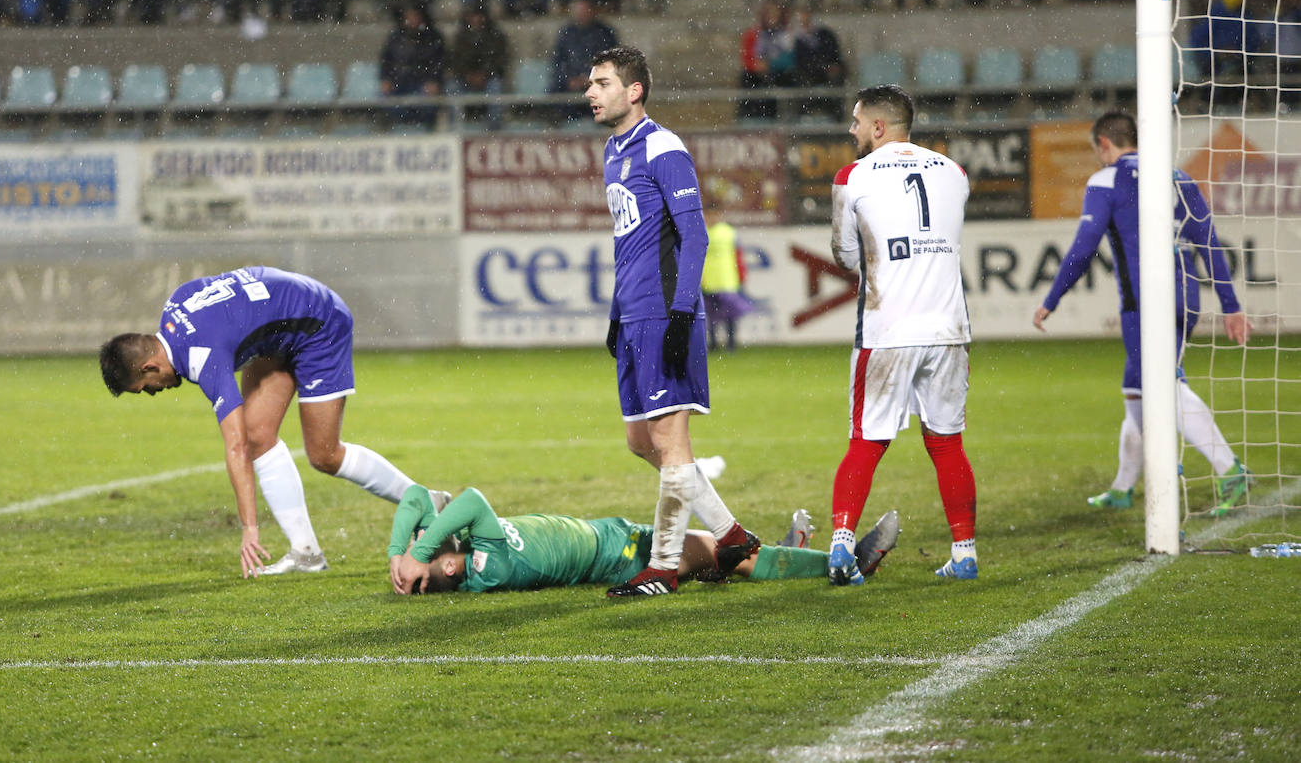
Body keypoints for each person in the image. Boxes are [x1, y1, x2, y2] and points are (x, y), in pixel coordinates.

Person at [99, 266, 444, 579]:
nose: (153, 393)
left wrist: (250, 528)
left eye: (145, 389)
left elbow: (232, 446)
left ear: (148, 368)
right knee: (257, 437)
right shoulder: (174, 307)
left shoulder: (202, 357)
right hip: (282, 328)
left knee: (324, 454)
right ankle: (307, 555)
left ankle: (426, 501)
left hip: (318, 323)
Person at [585, 45, 758, 597]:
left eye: (602, 83)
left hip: (664, 313)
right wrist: (616, 314)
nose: (590, 92)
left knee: (670, 439)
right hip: (634, 315)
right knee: (642, 441)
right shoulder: (615, 151)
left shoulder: (663, 147)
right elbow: (629, 246)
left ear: (634, 91)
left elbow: (695, 235)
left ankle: (662, 569)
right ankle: (730, 535)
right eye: (591, 83)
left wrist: (683, 312)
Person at [1033, 111, 1255, 516]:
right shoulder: (1177, 178)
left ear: (1104, 144)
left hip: (1145, 302)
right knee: (1136, 388)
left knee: (1164, 385)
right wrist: (1231, 306)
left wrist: (1052, 298)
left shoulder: (1106, 180)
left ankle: (1230, 469)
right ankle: (1122, 487)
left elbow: (1084, 248)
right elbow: (1208, 243)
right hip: (1185, 296)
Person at [829, 84, 979, 584]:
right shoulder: (953, 171)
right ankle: (965, 553)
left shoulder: (853, 175)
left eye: (856, 122)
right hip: (948, 328)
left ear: (877, 126)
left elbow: (846, 257)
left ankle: (840, 548)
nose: (851, 130)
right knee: (947, 444)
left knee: (867, 442)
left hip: (888, 328)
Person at [389, 483, 900, 595]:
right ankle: (849, 562)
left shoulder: (471, 551)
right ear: (451, 566)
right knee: (731, 554)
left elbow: (415, 496)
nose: (430, 537)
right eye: (432, 546)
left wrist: (400, 555)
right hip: (626, 554)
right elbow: (472, 498)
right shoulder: (488, 565)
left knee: (720, 558)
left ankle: (788, 549)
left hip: (614, 539)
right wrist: (417, 554)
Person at [701, 208, 752, 352]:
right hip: (708, 281)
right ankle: (713, 344)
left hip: (726, 280)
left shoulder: (728, 233)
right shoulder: (702, 231)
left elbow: (738, 255)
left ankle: (731, 343)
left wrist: (741, 274)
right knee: (711, 315)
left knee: (730, 314)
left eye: (713, 214)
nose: (711, 218)